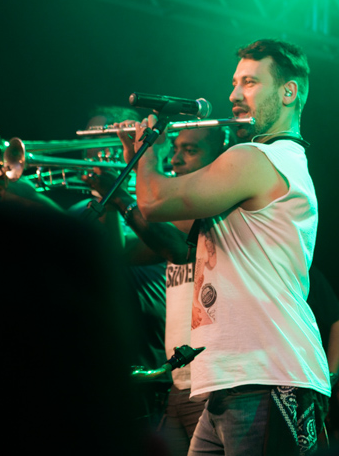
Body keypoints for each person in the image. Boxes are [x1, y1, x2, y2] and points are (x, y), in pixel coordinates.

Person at [128, 39, 331, 455]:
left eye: (250, 82)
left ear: (288, 92)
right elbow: (160, 229)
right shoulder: (263, 163)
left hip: (269, 374)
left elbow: (154, 202)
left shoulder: (257, 159)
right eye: (235, 83)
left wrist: (148, 150)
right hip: (232, 380)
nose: (234, 94)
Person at [84, 126, 229, 456]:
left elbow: (172, 245)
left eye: (190, 150)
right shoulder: (178, 214)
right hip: (179, 382)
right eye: (175, 149)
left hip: (212, 382)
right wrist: (109, 200)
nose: (175, 159)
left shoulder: (212, 208)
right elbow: (119, 253)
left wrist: (122, 192)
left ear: (219, 157)